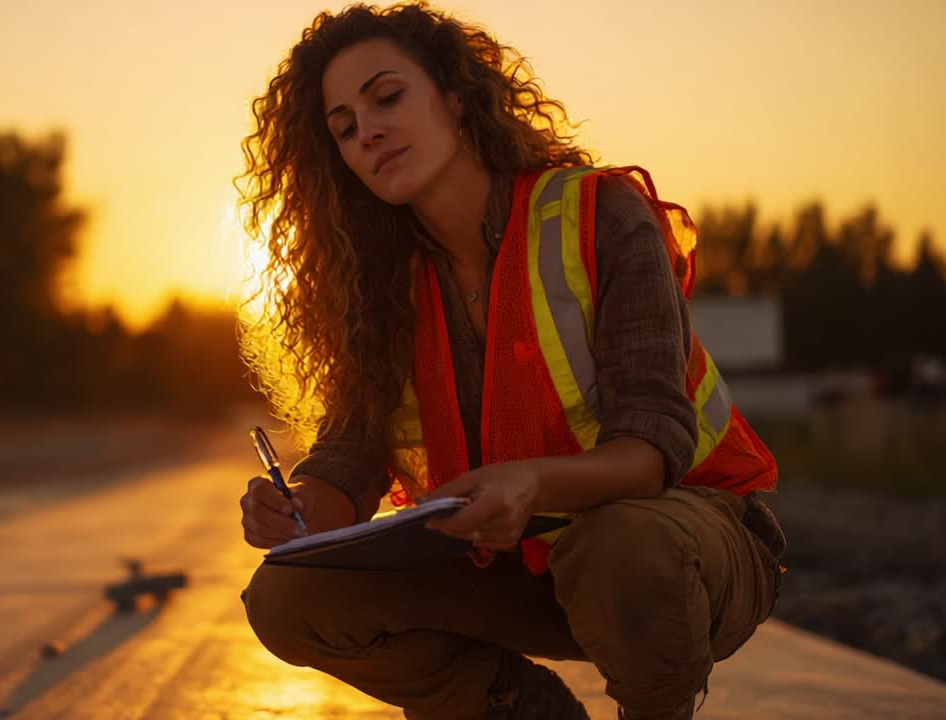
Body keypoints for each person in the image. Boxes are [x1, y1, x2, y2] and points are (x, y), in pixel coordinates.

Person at [234, 3, 786, 719]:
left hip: (687, 553)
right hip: (518, 569)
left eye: (387, 97)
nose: (367, 131)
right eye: (343, 127)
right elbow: (348, 460)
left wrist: (530, 483)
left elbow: (654, 450)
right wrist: (297, 511)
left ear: (456, 100)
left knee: (622, 542)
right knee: (288, 597)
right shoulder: (378, 289)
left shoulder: (600, 216)